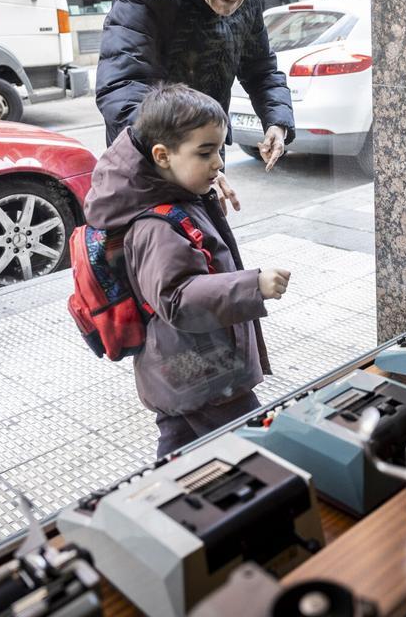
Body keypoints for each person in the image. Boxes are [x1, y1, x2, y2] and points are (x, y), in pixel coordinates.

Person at [83, 83, 292, 458]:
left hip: (182, 371)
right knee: (256, 451)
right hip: (202, 372)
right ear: (162, 155)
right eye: (205, 152)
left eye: (220, 149)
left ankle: (162, 502)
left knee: (179, 450)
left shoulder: (175, 195)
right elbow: (177, 299)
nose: (219, 163)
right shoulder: (155, 226)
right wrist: (253, 285)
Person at [95, 0, 295, 198]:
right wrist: (186, 159)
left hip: (205, 160)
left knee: (208, 241)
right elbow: (121, 90)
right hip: (151, 164)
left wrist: (277, 122)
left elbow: (261, 68)